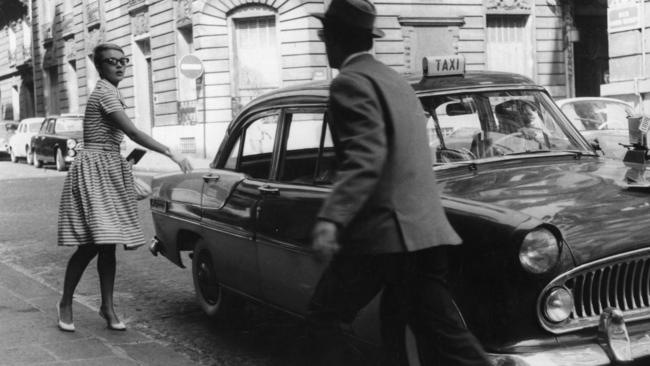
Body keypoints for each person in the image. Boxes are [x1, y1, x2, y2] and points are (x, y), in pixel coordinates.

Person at [309, 0, 491, 365]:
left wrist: (332, 219)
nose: (322, 41)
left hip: (388, 235)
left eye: (323, 34)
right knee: (422, 332)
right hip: (424, 230)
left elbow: (366, 156)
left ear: (335, 37)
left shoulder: (350, 83)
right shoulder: (393, 80)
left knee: (325, 317)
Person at [56, 43, 192, 332]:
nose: (119, 65)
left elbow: (115, 137)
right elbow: (132, 131)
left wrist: (126, 164)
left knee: (108, 244)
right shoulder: (105, 92)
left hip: (108, 166)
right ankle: (66, 302)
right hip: (94, 170)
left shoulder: (113, 92)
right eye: (111, 61)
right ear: (99, 66)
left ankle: (107, 307)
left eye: (123, 60)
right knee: (91, 244)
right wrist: (171, 152)